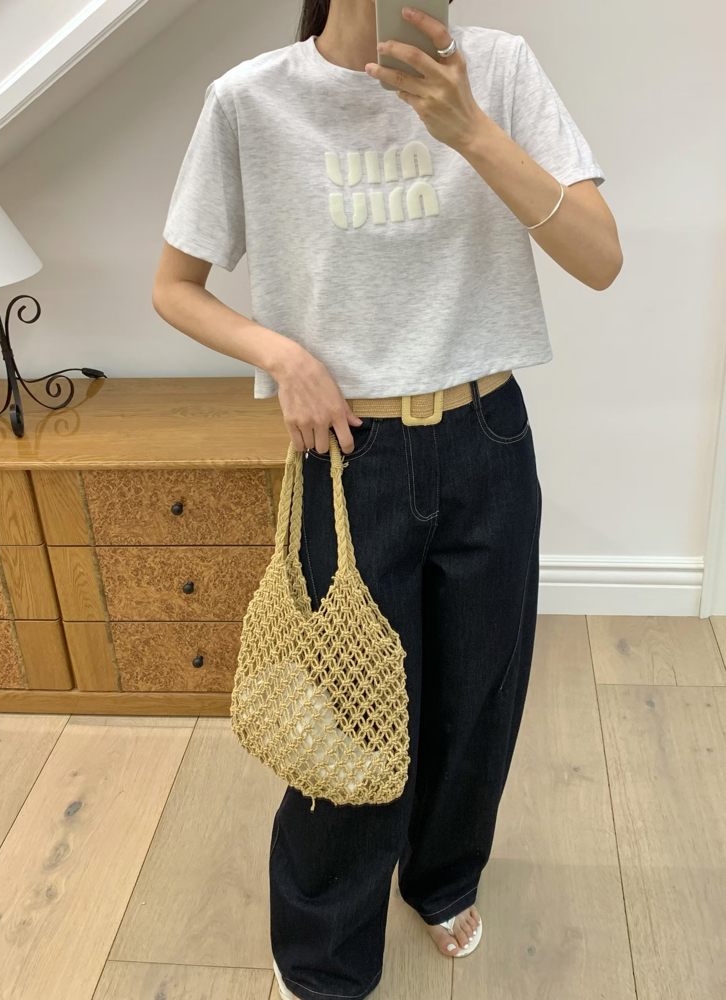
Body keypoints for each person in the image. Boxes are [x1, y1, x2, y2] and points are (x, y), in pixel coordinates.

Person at [152, 1, 623, 997]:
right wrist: (283, 356)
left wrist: (470, 130)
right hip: (344, 451)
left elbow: (600, 259)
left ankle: (444, 877)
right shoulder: (253, 100)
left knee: (478, 695)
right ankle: (323, 956)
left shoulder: (500, 71)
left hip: (487, 434)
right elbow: (175, 286)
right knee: (347, 709)